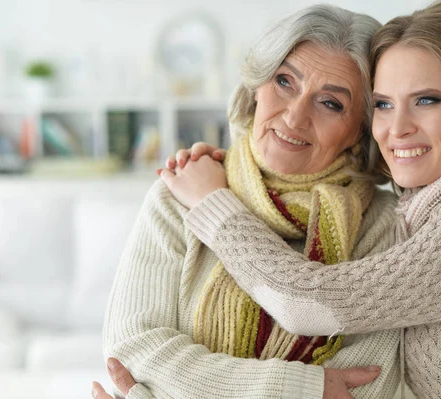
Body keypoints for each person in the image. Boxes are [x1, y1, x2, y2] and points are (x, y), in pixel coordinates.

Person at [162, 0, 441, 397]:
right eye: (384, 105)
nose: (396, 128)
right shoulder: (429, 209)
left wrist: (213, 205)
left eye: (426, 100)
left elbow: (308, 303)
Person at [99, 4, 404, 399]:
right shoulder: (178, 192)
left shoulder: (384, 224)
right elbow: (133, 353)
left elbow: (365, 389)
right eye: (284, 81)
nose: (294, 117)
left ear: (360, 130)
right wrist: (303, 387)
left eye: (331, 103)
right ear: (256, 86)